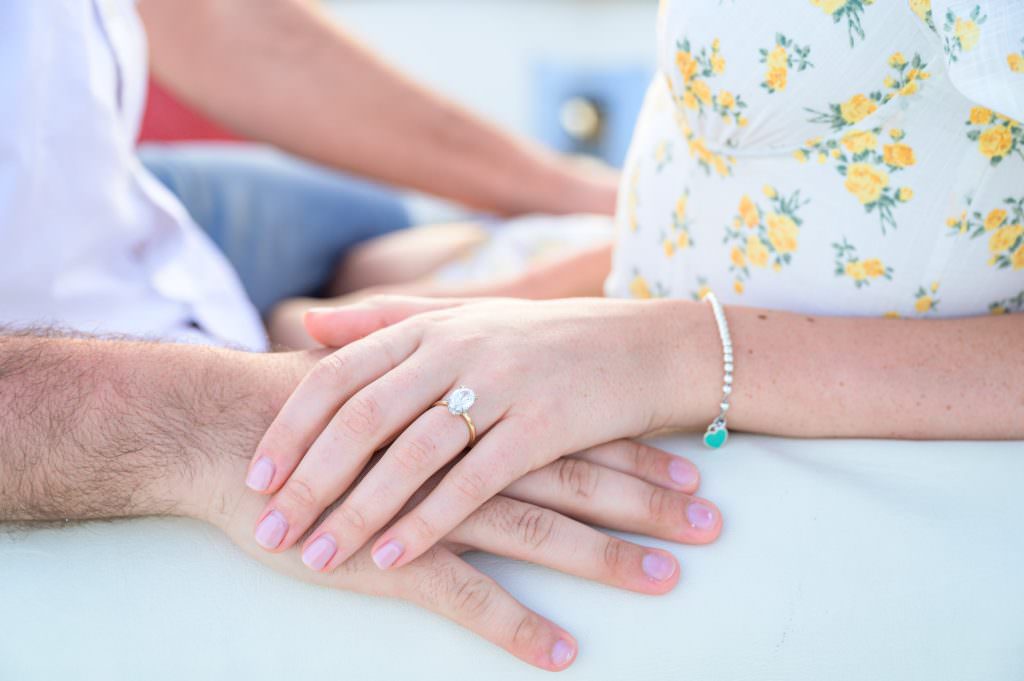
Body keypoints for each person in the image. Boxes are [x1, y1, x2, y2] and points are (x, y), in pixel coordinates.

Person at [0, 0, 713, 672]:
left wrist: (578, 195)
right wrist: (210, 416)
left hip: (136, 226)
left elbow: (215, 18)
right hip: (63, 379)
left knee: (385, 240)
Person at [239, 0, 1024, 589]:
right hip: (623, 301)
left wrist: (676, 354)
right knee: (337, 287)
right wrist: (523, 296)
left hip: (773, 399)